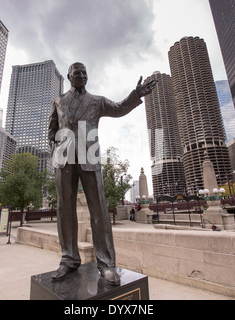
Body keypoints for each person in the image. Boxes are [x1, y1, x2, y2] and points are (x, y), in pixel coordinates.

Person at [48, 62, 157, 286]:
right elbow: (51, 131)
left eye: (85, 73)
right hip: (64, 159)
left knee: (99, 209)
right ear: (69, 76)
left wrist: (136, 94)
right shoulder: (58, 101)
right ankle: (68, 259)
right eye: (77, 73)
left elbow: (118, 108)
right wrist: (56, 150)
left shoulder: (96, 101)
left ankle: (106, 263)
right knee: (65, 209)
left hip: (89, 155)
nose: (82, 75)